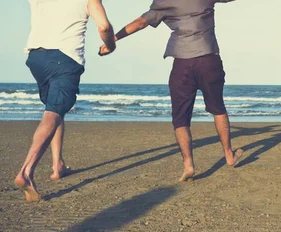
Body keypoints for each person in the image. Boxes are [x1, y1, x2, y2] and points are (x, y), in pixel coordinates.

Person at [100, 0, 243, 182]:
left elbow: (140, 23)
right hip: (208, 59)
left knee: (180, 118)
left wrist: (113, 40)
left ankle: (188, 165)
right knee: (217, 108)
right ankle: (229, 155)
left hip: (182, 63)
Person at [15, 0, 116, 202]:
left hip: (36, 57)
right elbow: (104, 26)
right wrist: (110, 46)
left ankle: (57, 166)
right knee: (52, 113)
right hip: (65, 58)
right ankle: (25, 173)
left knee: (55, 109)